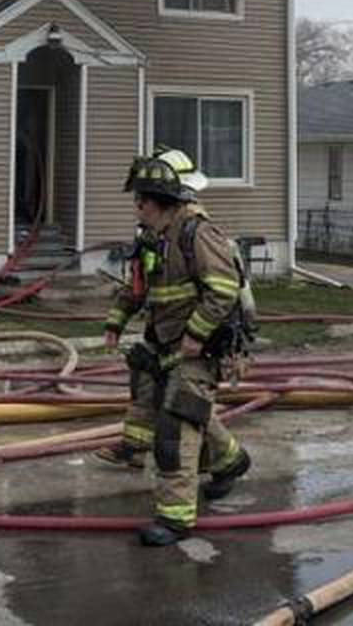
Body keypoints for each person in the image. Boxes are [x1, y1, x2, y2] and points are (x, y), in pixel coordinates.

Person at [102, 147, 252, 546]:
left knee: (175, 429)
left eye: (141, 201)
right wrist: (116, 322)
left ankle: (176, 518)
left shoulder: (197, 233)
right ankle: (230, 460)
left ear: (161, 203)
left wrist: (196, 335)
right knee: (177, 405)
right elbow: (137, 286)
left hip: (198, 349)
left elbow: (222, 290)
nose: (136, 207)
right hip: (166, 342)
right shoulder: (154, 237)